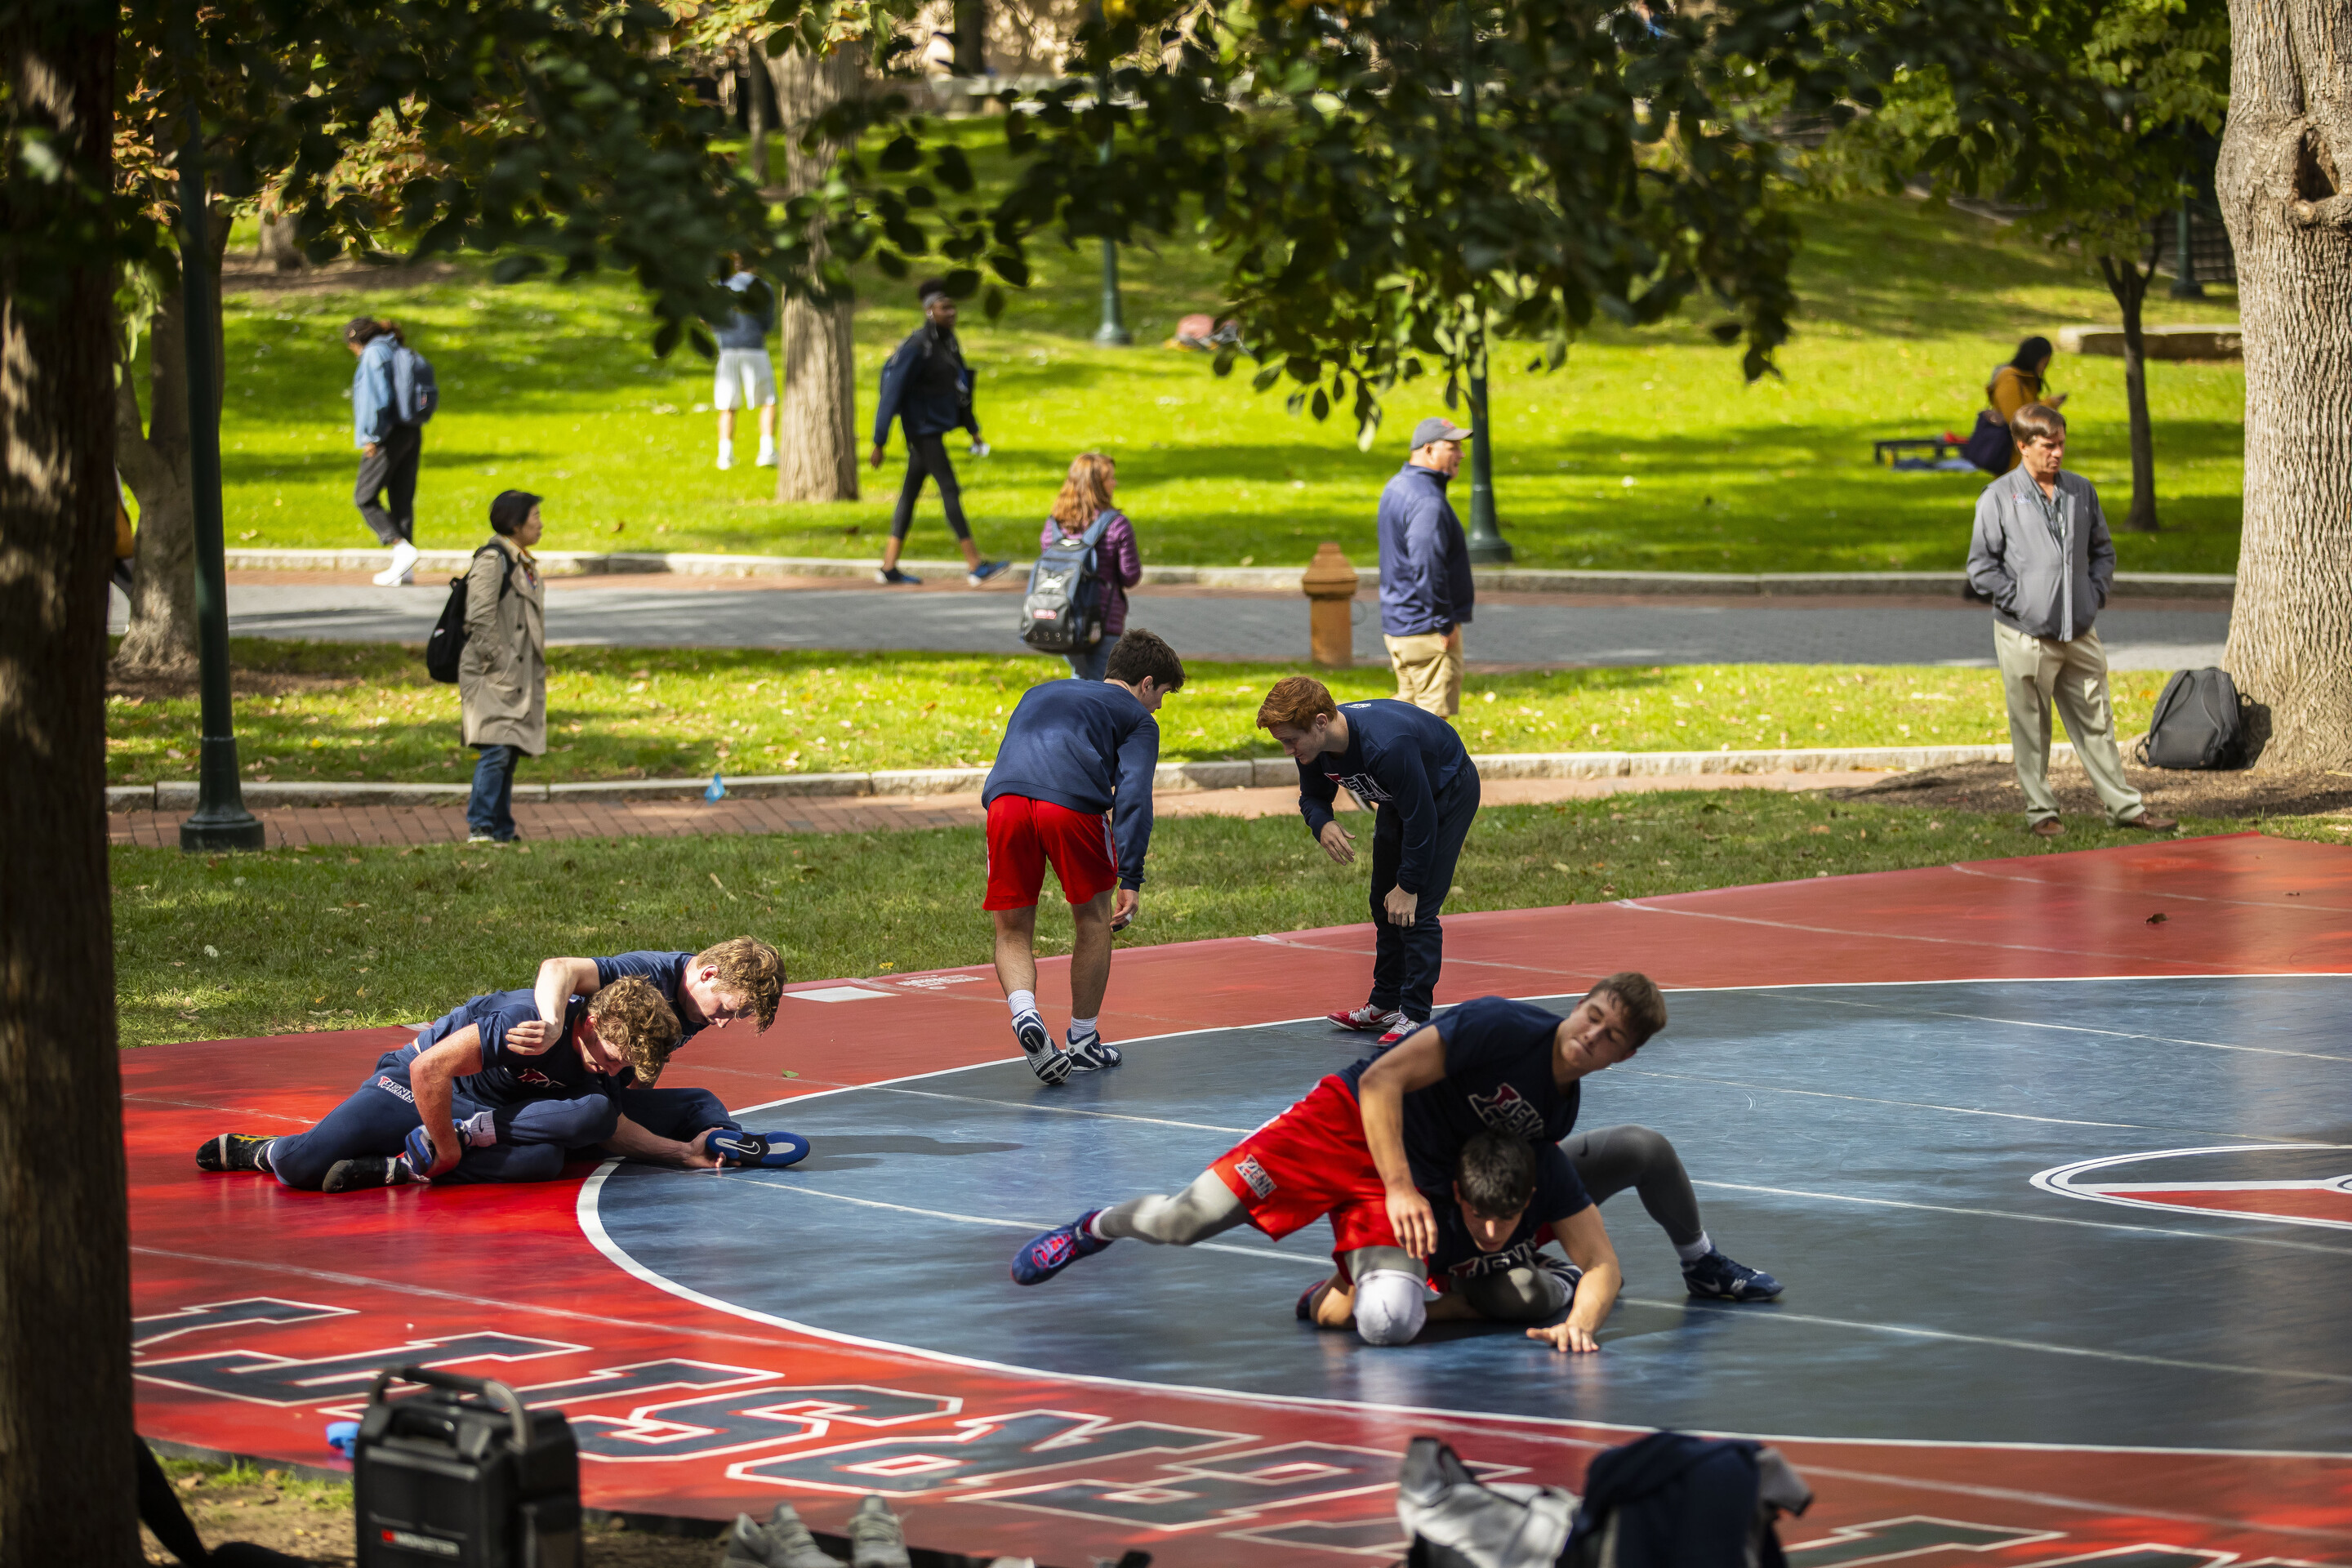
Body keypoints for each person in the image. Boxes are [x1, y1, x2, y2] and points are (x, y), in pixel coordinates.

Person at [1008, 981, 1666, 1351]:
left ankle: (1343, 1292)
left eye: (1611, 1037)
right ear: (1580, 1005)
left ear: (1624, 1057)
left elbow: (1493, 1173)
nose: (1591, 1036)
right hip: (1343, 1126)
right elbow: (1381, 1083)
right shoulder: (1500, 1027)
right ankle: (1095, 1227)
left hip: (1414, 1180)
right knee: (1187, 1220)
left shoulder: (1557, 1114)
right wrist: (1404, 1187)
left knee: (1390, 1324)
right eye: (1592, 1017)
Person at [192, 978, 808, 1193]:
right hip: (423, 1089)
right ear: (584, 1023)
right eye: (607, 1057)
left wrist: (688, 1151)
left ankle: (403, 1168)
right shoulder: (526, 1023)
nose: (610, 1071)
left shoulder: (618, 1051)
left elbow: (609, 1109)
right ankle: (268, 1150)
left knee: (551, 1151)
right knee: (302, 1170)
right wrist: (451, 1147)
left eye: (625, 1069)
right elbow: (427, 1070)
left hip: (506, 1115)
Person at [1300, 1124, 1782, 1343]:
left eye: (1505, 1221)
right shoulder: (1416, 1216)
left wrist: (1581, 1325)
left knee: (1644, 1148)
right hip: (1461, 1265)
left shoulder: (1544, 1177)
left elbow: (1606, 1269)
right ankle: (1552, 1276)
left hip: (1512, 1177)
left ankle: (1702, 1263)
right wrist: (1447, 1308)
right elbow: (1331, 1312)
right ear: (1456, 1197)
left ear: (1532, 1199)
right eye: (1479, 1217)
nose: (1491, 1233)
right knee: (1520, 1298)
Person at [982, 628, 1184, 1084]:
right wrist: (1130, 877)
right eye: (1163, 695)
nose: (1158, 707)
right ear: (1147, 683)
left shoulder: (1040, 691)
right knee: (1093, 921)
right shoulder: (1138, 717)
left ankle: (1024, 1013)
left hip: (1005, 803)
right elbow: (1133, 798)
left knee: (1012, 928)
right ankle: (1082, 1040)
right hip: (1071, 806)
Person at [1967, 403, 2177, 840]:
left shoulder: (2081, 491)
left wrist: (2093, 595)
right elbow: (1981, 567)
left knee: (2097, 720)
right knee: (2032, 724)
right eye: (2049, 446)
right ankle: (2041, 811)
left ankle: (2124, 807)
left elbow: (2103, 551)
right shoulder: (1999, 496)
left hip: (2079, 630)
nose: (2058, 453)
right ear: (2023, 446)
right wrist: (2021, 601)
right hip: (2024, 633)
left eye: (2062, 444)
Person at [1258, 675, 1478, 1046]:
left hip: (1446, 792)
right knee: (1382, 902)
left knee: (1415, 908)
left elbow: (1422, 820)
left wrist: (1408, 885)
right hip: (1398, 797)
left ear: (1321, 722)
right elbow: (1312, 796)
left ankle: (1415, 1015)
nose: (1288, 750)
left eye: (1291, 741)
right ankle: (1385, 1003)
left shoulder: (1387, 746)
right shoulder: (1314, 747)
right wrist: (1322, 822)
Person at [870, 278, 1006, 588]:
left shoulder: (948, 344)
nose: (952, 312)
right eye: (945, 307)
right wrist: (879, 441)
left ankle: (889, 566)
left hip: (933, 428)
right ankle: (975, 565)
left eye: (953, 306)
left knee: (910, 493)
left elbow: (961, 388)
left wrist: (973, 430)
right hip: (922, 430)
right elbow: (891, 393)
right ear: (929, 311)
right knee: (949, 489)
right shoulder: (917, 346)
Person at [506, 938, 786, 1057]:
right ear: (709, 974)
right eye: (727, 1009)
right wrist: (552, 1024)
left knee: (703, 1107)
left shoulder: (700, 1005)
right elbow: (559, 967)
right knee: (596, 1114)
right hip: (553, 1060)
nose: (722, 1023)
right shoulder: (646, 973)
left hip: (606, 1075)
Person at [460, 489, 547, 844]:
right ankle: (481, 826)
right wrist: (496, 659)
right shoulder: (493, 559)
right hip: (491, 672)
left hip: (513, 672)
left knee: (507, 751)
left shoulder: (522, 560)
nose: (541, 524)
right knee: (495, 748)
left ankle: (501, 828)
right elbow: (479, 615)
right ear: (515, 524)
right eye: (535, 517)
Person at [1379, 416, 1477, 715]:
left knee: (1404, 722)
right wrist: (1444, 622)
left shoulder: (1397, 486)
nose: (1461, 454)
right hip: (1426, 631)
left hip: (1400, 626)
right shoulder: (1427, 500)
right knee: (1434, 730)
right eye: (1453, 447)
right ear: (1429, 450)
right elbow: (1427, 564)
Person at [1038, 452, 1143, 682]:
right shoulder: (1116, 525)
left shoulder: (1054, 524)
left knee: (1081, 678)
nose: (1115, 483)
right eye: (1110, 479)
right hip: (1102, 622)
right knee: (1099, 688)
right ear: (1097, 485)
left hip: (1062, 620)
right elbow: (1130, 575)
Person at [347, 317, 423, 585]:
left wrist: (371, 436)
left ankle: (401, 548)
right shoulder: (398, 350)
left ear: (356, 341)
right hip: (411, 429)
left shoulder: (374, 354)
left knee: (364, 497)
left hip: (386, 433)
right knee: (401, 498)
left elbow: (375, 398)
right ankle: (405, 570)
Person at [713, 257, 778, 470]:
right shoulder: (762, 288)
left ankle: (725, 456)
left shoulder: (722, 287)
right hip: (754, 347)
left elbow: (710, 318)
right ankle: (767, 451)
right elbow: (767, 323)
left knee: (727, 405)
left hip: (728, 349)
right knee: (767, 400)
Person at [1987, 336, 2067, 472]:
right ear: (2035, 359)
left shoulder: (2025, 379)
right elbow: (2016, 419)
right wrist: (2048, 405)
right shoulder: (2010, 380)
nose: (2044, 369)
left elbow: (2027, 407)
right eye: (2044, 363)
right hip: (2010, 453)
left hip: (2022, 454)